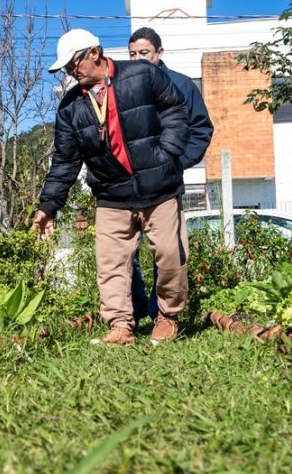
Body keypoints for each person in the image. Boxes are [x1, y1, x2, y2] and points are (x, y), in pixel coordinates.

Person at [32, 29, 190, 345]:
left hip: (159, 188)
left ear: (95, 52)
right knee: (110, 264)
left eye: (73, 63)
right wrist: (48, 206)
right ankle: (120, 327)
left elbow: (175, 110)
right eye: (65, 69)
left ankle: (167, 318)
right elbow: (64, 161)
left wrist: (168, 152)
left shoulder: (143, 74)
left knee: (171, 256)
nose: (71, 72)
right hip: (111, 194)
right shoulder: (70, 106)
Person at [128, 27, 214, 322]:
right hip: (128, 186)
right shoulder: (123, 86)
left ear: (159, 53)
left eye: (144, 53)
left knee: (166, 251)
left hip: (166, 184)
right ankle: (136, 308)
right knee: (127, 252)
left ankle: (160, 312)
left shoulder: (181, 84)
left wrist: (176, 164)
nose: (138, 59)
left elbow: (201, 130)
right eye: (132, 54)